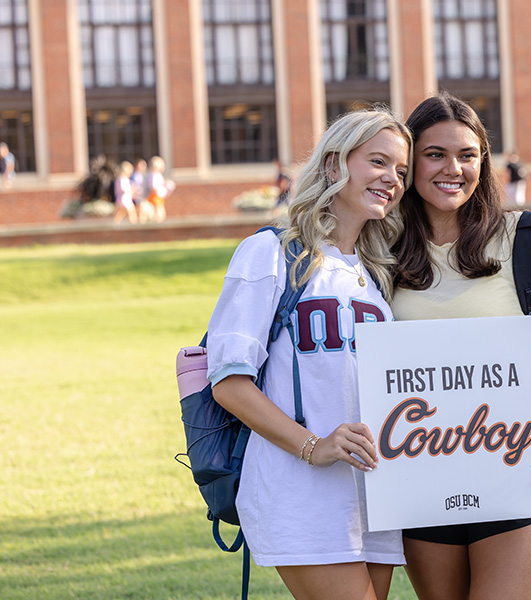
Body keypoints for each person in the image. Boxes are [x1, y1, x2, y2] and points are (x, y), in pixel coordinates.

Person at [206, 108, 411, 600]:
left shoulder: (378, 273)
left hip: (374, 494)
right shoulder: (272, 253)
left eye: (401, 172)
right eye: (379, 162)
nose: (392, 179)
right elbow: (228, 381)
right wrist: (312, 446)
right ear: (336, 163)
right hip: (300, 491)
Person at [391, 93, 531, 600]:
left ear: (484, 161)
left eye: (467, 155)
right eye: (434, 155)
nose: (453, 168)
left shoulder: (528, 239)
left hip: (514, 467)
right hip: (419, 472)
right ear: (410, 165)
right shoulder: (380, 251)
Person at [146, 155, 175, 222]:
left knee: (159, 210)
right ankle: (158, 222)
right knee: (159, 210)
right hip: (156, 194)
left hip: (157, 194)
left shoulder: (154, 174)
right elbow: (153, 186)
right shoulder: (155, 175)